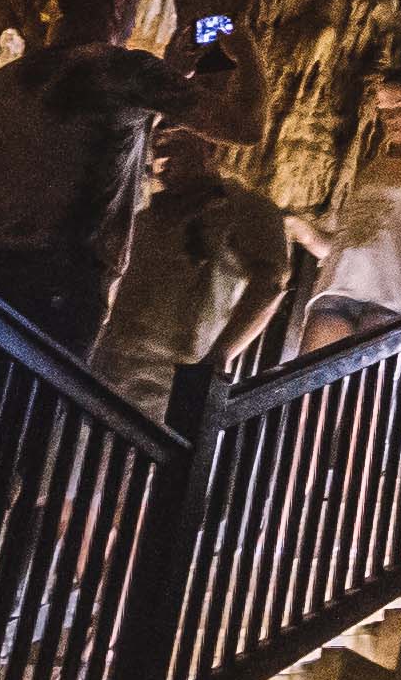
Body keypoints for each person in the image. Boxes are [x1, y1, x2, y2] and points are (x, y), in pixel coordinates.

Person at [0, 0, 172, 345]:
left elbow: (84, 138)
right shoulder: (125, 72)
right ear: (120, 0)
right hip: (64, 283)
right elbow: (242, 127)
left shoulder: (9, 79)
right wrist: (241, 42)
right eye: (135, 5)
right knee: (33, 403)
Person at [97, 33, 292, 421]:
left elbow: (271, 281)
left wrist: (218, 357)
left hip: (170, 376)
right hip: (109, 364)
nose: (161, 156)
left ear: (206, 146)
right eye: (158, 145)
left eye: (174, 143)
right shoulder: (145, 215)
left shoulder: (243, 209)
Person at [291, 63, 401, 353]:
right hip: (338, 287)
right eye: (383, 109)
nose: (389, 117)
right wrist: (303, 231)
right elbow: (352, 236)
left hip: (391, 297)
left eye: (400, 108)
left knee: (364, 395)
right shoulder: (372, 162)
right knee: (310, 389)